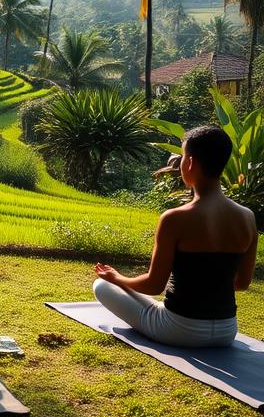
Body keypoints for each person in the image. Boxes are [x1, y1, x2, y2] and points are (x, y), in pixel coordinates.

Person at [94, 125, 257, 347]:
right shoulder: (247, 217)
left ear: (189, 163)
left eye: (182, 157)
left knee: (101, 287)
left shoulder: (175, 218)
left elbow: (154, 285)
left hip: (179, 329)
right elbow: (241, 283)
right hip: (227, 330)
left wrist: (117, 278)